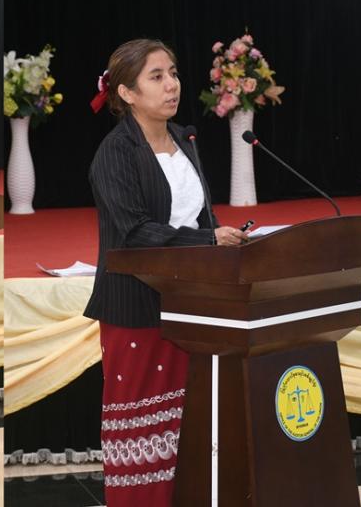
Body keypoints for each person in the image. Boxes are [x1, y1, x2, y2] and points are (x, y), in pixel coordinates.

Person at [83, 38, 247, 506]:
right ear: (127, 93)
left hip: (191, 305)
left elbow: (199, 217)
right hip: (137, 306)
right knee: (143, 435)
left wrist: (224, 237)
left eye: (173, 73)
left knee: (188, 430)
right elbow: (133, 233)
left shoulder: (184, 139)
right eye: (156, 77)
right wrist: (207, 240)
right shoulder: (116, 152)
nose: (172, 85)